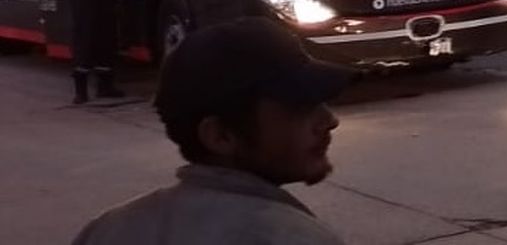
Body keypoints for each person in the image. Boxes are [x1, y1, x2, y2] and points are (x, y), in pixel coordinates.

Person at [73, 17, 356, 244]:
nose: (329, 121)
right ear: (220, 136)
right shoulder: (293, 237)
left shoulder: (104, 231)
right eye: (299, 107)